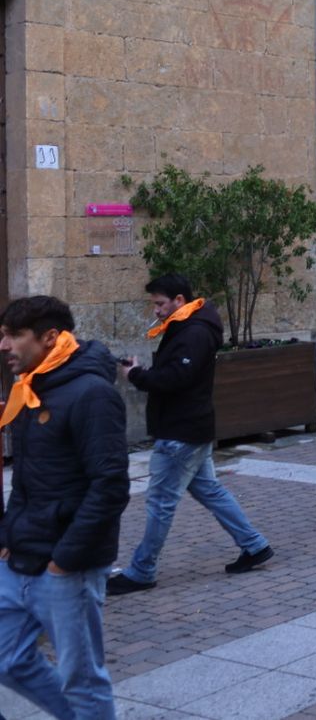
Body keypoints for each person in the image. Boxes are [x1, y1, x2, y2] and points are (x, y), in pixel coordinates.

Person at [0, 295, 129, 719]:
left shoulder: (91, 394)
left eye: (15, 336)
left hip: (66, 567)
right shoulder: (32, 389)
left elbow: (109, 485)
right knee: (9, 660)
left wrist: (64, 560)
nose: (4, 346)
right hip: (21, 554)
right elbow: (26, 477)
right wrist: (7, 535)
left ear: (50, 338)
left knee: (82, 679)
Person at [108, 274, 273, 596]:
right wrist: (142, 372)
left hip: (180, 432)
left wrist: (138, 375)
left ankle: (142, 571)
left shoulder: (194, 331)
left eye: (159, 304)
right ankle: (254, 545)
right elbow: (178, 374)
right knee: (210, 490)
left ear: (179, 301)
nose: (155, 310)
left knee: (159, 503)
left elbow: (178, 378)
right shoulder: (188, 326)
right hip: (189, 427)